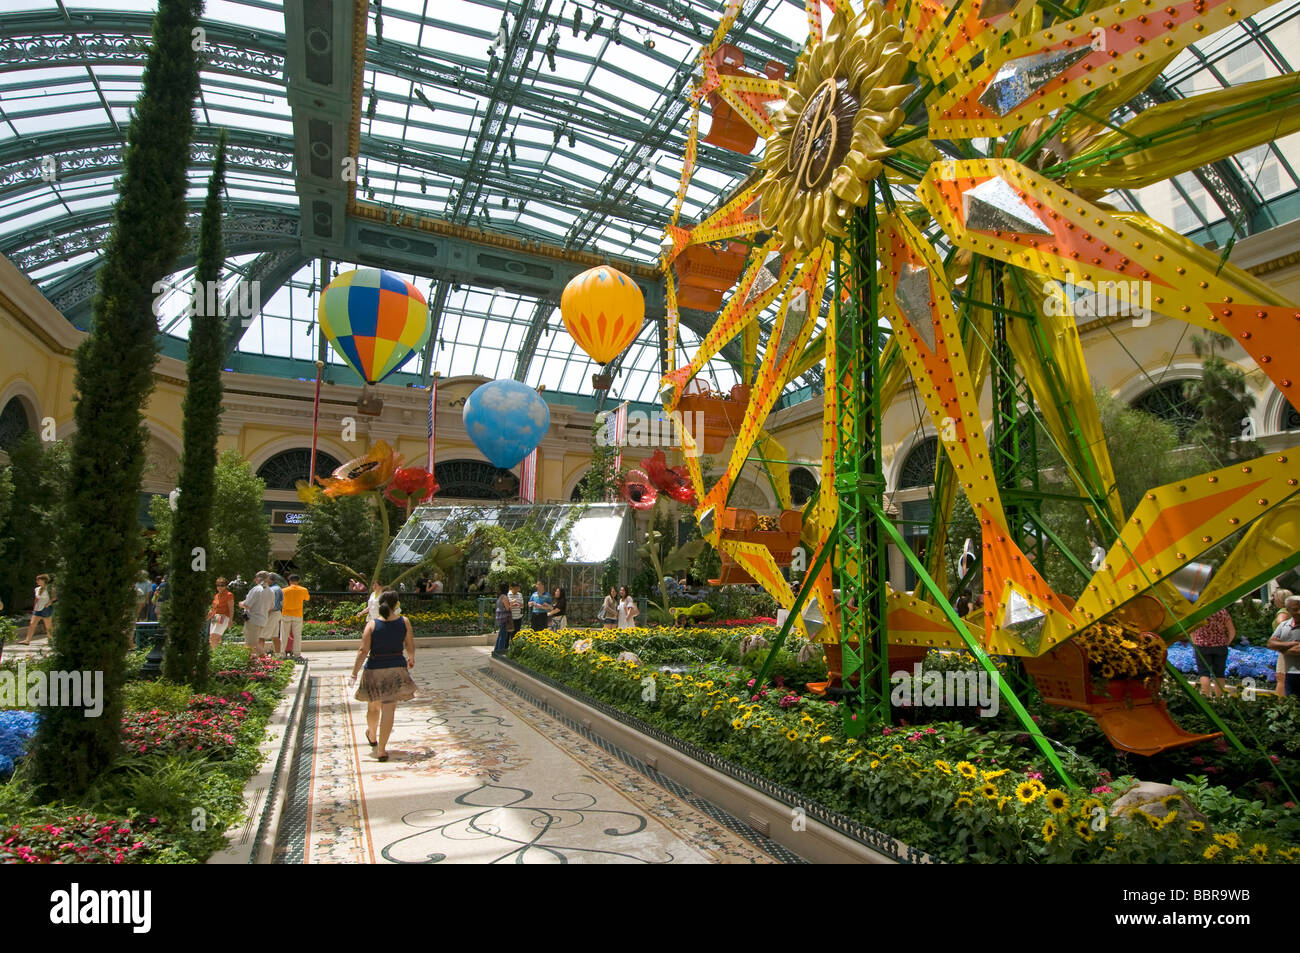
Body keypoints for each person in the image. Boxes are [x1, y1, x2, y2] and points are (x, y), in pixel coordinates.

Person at [350, 590, 416, 762]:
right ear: (396, 605)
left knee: (373, 707)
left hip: (374, 669)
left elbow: (363, 650)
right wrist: (411, 657)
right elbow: (410, 643)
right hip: (396, 668)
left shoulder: (372, 624)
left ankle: (372, 735)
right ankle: (381, 749)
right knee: (389, 709)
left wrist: (354, 672)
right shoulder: (405, 622)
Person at [1188, 607, 1235, 698]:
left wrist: (1195, 641)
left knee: (1204, 673)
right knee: (1219, 673)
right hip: (1220, 646)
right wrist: (1227, 642)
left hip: (1202, 646)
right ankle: (1219, 699)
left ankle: (1206, 697)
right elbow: (1232, 631)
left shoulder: (1199, 612)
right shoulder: (1222, 612)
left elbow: (1191, 629)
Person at [1267, 596, 1300, 699]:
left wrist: (1282, 648)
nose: (1299, 612)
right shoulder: (1284, 625)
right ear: (1288, 610)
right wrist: (1290, 644)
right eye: (1295, 609)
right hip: (1290, 673)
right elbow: (1271, 643)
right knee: (1292, 703)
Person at [239, 572, 274, 657]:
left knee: (251, 643)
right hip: (263, 620)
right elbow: (271, 607)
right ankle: (253, 662)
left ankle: (265, 660)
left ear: (258, 579)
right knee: (253, 643)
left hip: (253, 619)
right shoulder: (270, 591)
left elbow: (247, 605)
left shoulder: (256, 589)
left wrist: (240, 604)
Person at [280, 574, 310, 657]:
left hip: (286, 613)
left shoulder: (283, 590)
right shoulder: (303, 589)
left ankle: (282, 653)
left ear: (289, 581)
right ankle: (297, 654)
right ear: (298, 581)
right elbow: (307, 598)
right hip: (297, 614)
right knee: (297, 635)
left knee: (284, 634)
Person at [23, 573, 55, 645]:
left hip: (46, 608)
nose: (37, 581)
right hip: (38, 609)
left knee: (48, 626)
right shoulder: (37, 589)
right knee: (32, 624)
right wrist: (34, 607)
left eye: (38, 580)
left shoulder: (50, 589)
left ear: (44, 580)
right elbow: (36, 599)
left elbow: (54, 597)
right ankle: (27, 640)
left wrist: (49, 603)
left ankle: (51, 641)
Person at [1272, 589, 1293, 697]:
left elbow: (1282, 623)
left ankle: (1280, 703)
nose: (1274, 600)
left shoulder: (1283, 612)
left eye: (1275, 598)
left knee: (1281, 677)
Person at [207, 577, 235, 649]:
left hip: (223, 616)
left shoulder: (229, 595)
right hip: (215, 617)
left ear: (226, 586)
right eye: (218, 585)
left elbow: (231, 609)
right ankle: (217, 653)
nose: (220, 587)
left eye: (222, 585)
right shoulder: (216, 596)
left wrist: (230, 620)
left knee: (214, 637)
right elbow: (213, 609)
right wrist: (208, 617)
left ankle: (213, 655)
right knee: (214, 638)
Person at [266, 573, 284, 655]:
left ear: (270, 579)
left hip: (272, 614)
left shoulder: (272, 590)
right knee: (275, 636)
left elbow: (271, 605)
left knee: (261, 636)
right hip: (277, 613)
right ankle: (278, 655)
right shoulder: (278, 588)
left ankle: (260, 657)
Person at [493, 583, 512, 655]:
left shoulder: (500, 596)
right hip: (505, 619)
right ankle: (500, 652)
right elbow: (507, 608)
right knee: (503, 636)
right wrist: (513, 605)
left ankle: (496, 651)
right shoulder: (504, 597)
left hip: (500, 619)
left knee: (500, 635)